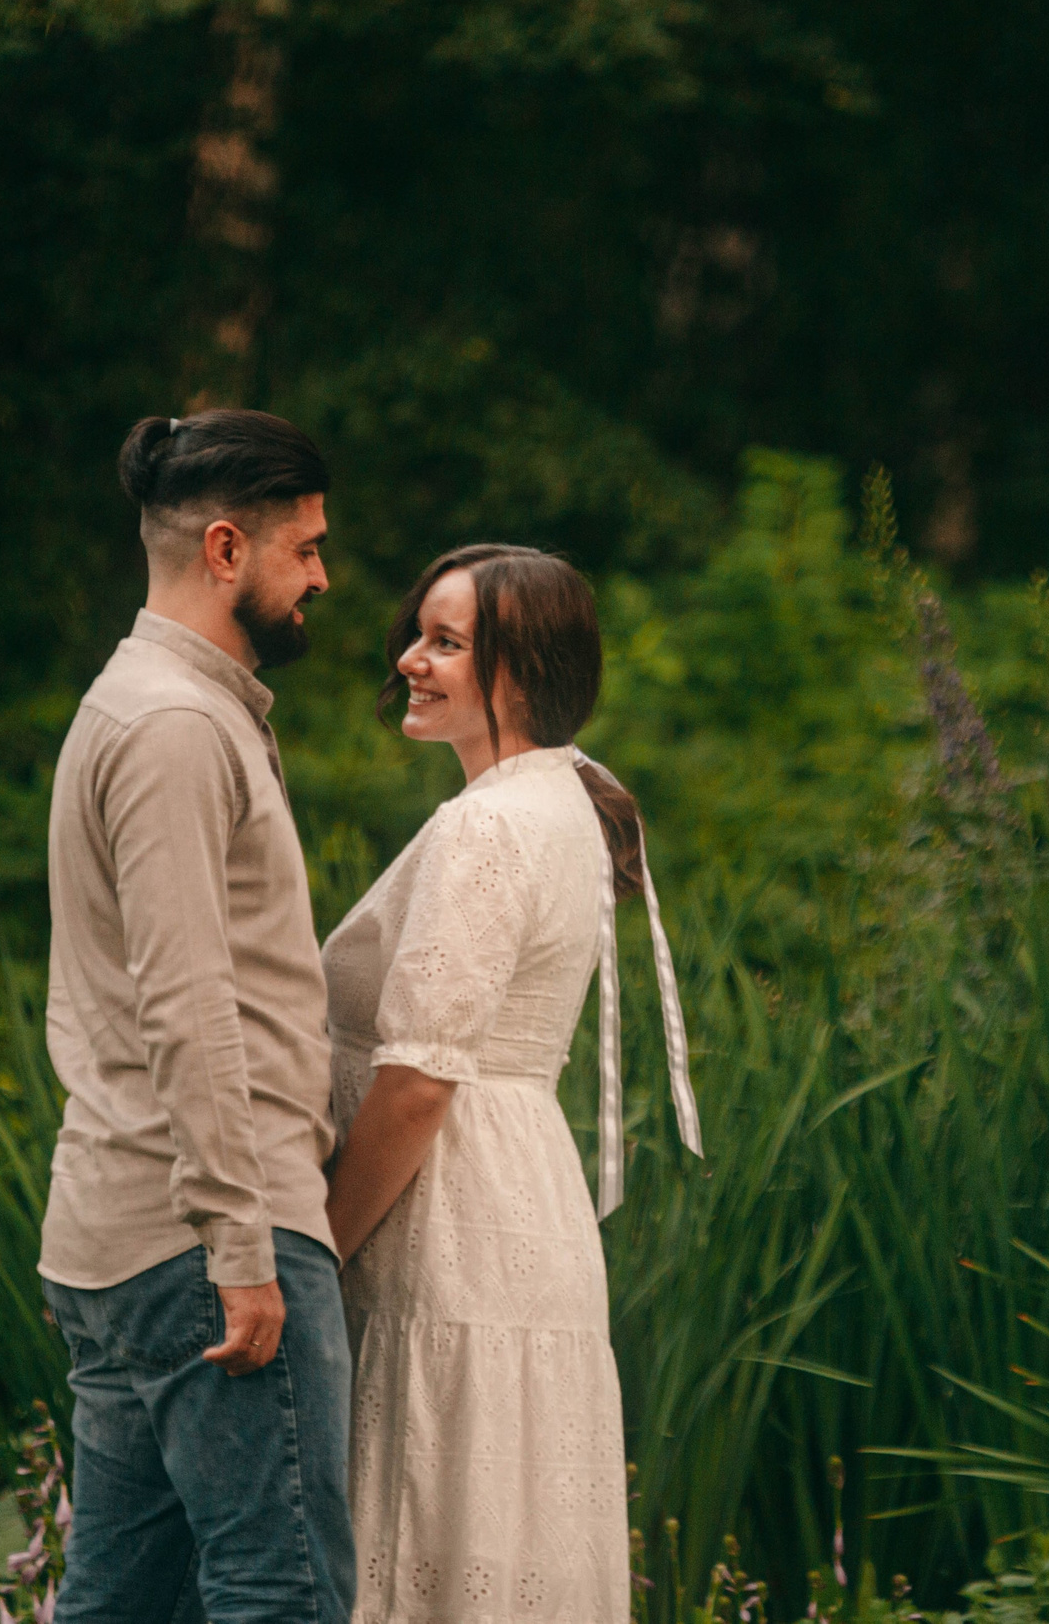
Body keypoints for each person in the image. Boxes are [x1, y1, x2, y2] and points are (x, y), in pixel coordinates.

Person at [322, 544, 704, 1624]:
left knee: (431, 1532)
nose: (409, 658)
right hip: (521, 1205)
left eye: (446, 643)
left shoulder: (490, 824)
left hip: (447, 1217)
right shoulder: (560, 802)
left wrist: (314, 1246)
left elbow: (418, 1083)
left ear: (524, 673)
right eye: (418, 633)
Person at [38, 409, 354, 1624]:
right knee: (285, 1597)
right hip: (208, 1238)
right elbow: (185, 1004)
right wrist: (240, 1246)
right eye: (306, 549)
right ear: (227, 549)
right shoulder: (174, 728)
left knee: (121, 1606)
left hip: (130, 1235)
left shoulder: (157, 705)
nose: (322, 576)